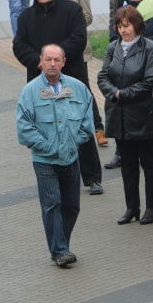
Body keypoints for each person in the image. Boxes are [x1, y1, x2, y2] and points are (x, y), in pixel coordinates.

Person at [12, 0, 103, 196]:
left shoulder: (71, 11)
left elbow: (79, 38)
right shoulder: (25, 17)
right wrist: (40, 62)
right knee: (45, 127)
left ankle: (92, 178)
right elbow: (19, 45)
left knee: (79, 124)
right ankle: (51, 176)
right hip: (39, 78)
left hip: (71, 75)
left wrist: (56, 60)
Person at [16, 44, 94, 267]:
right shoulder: (30, 92)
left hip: (70, 157)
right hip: (44, 160)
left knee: (72, 206)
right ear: (40, 62)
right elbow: (24, 129)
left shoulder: (78, 88)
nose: (52, 64)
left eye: (56, 60)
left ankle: (60, 246)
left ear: (63, 62)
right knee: (52, 204)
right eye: (48, 60)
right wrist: (47, 146)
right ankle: (60, 251)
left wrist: (72, 142)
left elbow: (88, 123)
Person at [97, 6, 153, 226]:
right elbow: (103, 75)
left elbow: (149, 80)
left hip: (143, 114)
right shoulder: (113, 47)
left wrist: (122, 94)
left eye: (127, 25)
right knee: (127, 164)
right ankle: (131, 207)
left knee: (149, 162)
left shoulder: (150, 47)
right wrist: (112, 93)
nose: (123, 30)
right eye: (120, 26)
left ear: (137, 25)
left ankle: (152, 207)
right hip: (119, 115)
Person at [46, 0, 107, 148]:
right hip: (54, 52)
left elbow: (88, 17)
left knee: (83, 90)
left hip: (76, 49)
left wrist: (69, 24)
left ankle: (98, 128)